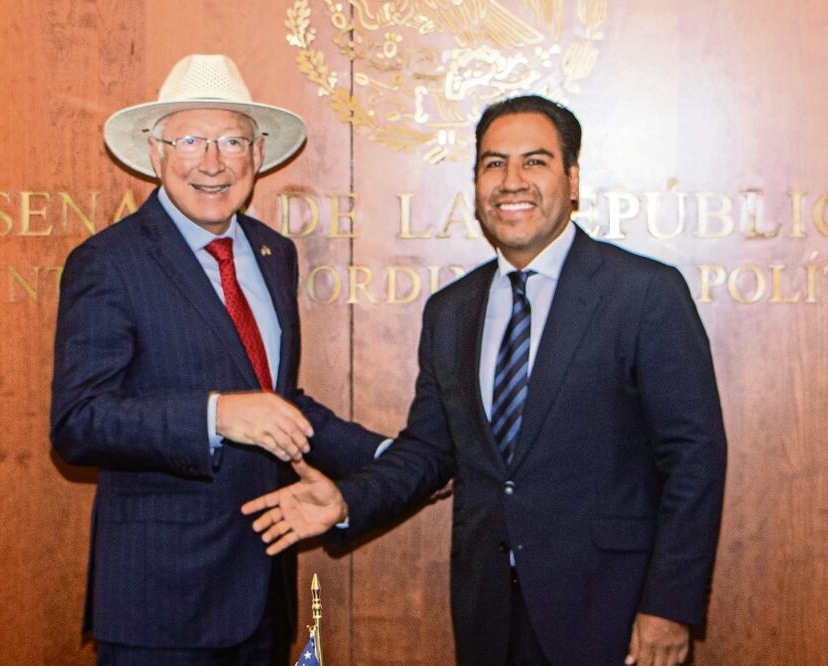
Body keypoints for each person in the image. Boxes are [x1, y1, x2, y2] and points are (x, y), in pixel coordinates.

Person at [243, 95, 727, 666]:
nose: (512, 181)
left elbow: (694, 456)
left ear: (572, 180)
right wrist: (348, 499)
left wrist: (669, 606)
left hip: (614, 616)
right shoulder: (452, 310)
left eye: (535, 161)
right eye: (494, 164)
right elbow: (429, 450)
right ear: (476, 184)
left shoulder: (643, 292)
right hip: (488, 613)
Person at [50, 54, 384, 665]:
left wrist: (393, 460)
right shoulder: (108, 262)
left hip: (262, 594)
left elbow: (275, 402)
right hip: (159, 603)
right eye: (191, 141)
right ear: (156, 153)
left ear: (257, 156)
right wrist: (214, 415)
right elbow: (79, 422)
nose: (212, 161)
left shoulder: (273, 253)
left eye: (231, 140)